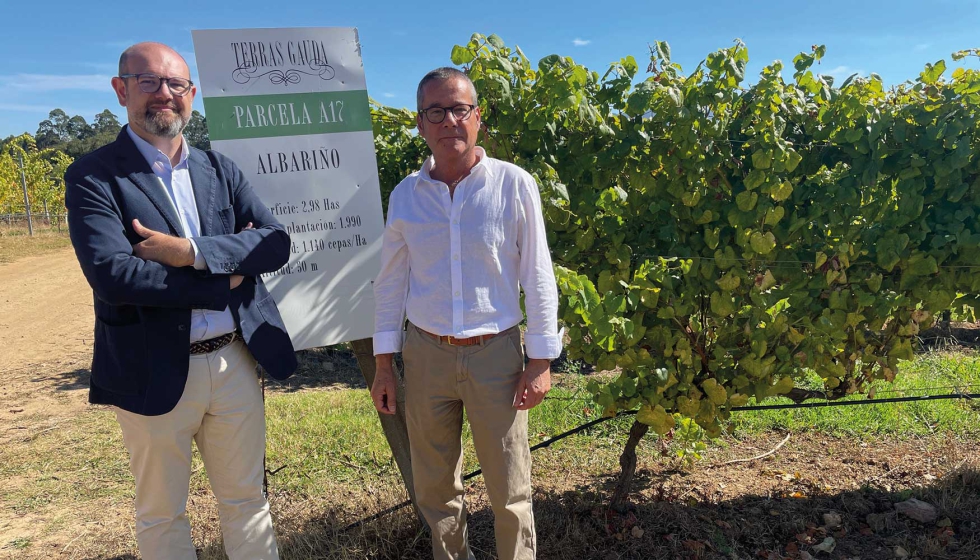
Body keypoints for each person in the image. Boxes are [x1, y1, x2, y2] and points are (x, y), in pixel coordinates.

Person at [65, 42, 296, 560]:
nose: (164, 94)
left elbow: (276, 243)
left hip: (235, 360)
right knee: (161, 512)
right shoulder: (94, 176)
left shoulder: (219, 169)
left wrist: (187, 252)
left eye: (177, 85)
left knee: (247, 501)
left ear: (192, 95)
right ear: (121, 89)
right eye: (149, 82)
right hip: (150, 368)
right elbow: (115, 275)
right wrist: (224, 279)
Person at [371, 67, 562, 560]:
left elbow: (537, 273)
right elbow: (391, 284)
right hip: (426, 354)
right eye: (436, 111)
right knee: (436, 491)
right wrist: (384, 364)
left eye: (459, 109)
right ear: (420, 123)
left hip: (496, 356)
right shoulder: (405, 197)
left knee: (510, 491)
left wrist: (540, 361)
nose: (448, 120)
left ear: (477, 117)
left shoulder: (514, 185)